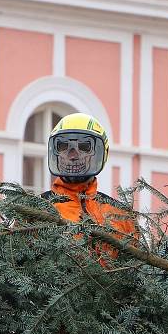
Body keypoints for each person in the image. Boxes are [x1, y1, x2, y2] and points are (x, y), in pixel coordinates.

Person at [42, 113, 137, 265]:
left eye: (84, 147)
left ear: (100, 154)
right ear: (55, 152)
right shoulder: (38, 208)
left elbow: (136, 268)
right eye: (64, 146)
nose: (73, 156)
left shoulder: (120, 214)